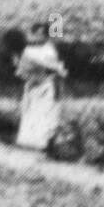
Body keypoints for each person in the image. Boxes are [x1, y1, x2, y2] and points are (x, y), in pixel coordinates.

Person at [15, 20, 67, 152]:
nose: (39, 37)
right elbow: (22, 70)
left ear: (46, 35)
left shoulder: (50, 50)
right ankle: (28, 141)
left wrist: (50, 72)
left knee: (43, 113)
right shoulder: (28, 50)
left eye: (42, 34)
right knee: (30, 112)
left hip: (45, 85)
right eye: (36, 34)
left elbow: (55, 68)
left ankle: (42, 143)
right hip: (32, 85)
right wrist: (27, 74)